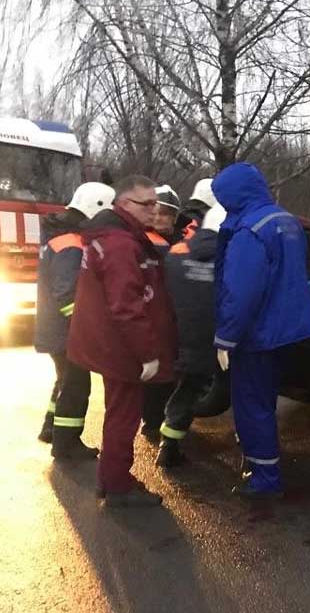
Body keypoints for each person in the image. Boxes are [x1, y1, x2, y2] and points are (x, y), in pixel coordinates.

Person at [68, 175, 177, 508]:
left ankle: (111, 479)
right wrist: (148, 354)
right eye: (147, 204)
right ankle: (117, 486)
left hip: (110, 343)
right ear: (125, 203)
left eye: (156, 203)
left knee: (119, 412)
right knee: (124, 416)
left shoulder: (112, 237)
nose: (154, 210)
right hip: (122, 348)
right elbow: (126, 305)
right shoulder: (120, 244)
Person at [213, 163, 310, 499]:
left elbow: (240, 292)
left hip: (258, 334)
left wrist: (225, 337)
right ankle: (264, 466)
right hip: (288, 330)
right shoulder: (287, 221)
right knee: (265, 401)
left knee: (251, 404)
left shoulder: (249, 231)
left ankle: (264, 477)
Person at [35, 181, 115, 461]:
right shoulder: (71, 243)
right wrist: (84, 326)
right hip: (65, 332)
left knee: (65, 380)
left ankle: (50, 428)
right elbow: (66, 292)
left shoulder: (59, 236)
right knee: (77, 386)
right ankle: (66, 444)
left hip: (53, 329)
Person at [157, 204, 226, 468]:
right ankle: (251, 457)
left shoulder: (176, 252)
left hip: (180, 338)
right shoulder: (231, 255)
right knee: (238, 395)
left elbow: (164, 293)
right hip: (220, 342)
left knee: (185, 389)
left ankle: (168, 445)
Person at [141, 184, 183, 440]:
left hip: (174, 317)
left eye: (164, 214)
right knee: (154, 373)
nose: (158, 218)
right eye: (154, 212)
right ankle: (152, 421)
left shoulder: (180, 242)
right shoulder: (146, 242)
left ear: (174, 217)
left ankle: (161, 418)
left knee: (169, 372)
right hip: (153, 317)